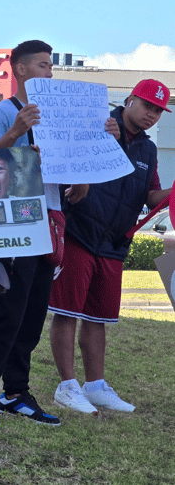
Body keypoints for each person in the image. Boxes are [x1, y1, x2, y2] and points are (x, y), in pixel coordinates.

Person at [0, 40, 90, 428]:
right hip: (15, 221)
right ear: (19, 69)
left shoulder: (56, 116)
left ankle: (16, 391)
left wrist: (81, 178)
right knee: (8, 311)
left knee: (33, 313)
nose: (49, 72)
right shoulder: (3, 112)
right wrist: (17, 130)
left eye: (51, 66)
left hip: (49, 219)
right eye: (42, 65)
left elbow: (67, 162)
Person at [49, 79, 171, 414]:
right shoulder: (98, 124)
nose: (152, 115)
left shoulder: (147, 149)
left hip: (115, 243)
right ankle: (67, 386)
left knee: (98, 317)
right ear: (129, 100)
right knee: (67, 312)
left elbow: (151, 196)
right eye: (147, 106)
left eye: (159, 110)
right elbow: (67, 163)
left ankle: (96, 385)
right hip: (79, 231)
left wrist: (173, 191)